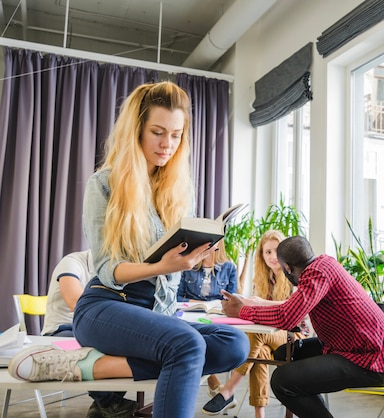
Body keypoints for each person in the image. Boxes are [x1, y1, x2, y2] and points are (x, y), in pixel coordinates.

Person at [8, 81, 250, 418]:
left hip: (157, 315)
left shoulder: (176, 191)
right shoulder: (104, 184)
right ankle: (98, 363)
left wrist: (193, 255)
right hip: (106, 305)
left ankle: (90, 366)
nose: (168, 144)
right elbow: (108, 268)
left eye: (177, 135)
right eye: (158, 132)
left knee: (235, 344)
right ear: (137, 130)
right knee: (187, 345)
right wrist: (162, 268)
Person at [221, 236, 384, 418]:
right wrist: (249, 305)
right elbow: (289, 308)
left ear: (287, 268)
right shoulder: (324, 264)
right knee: (285, 354)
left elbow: (286, 317)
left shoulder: (316, 275)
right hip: (354, 346)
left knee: (282, 381)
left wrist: (242, 311)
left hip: (371, 360)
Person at [203, 230, 309, 417]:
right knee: (260, 351)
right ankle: (259, 415)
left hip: (295, 336)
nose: (272, 257)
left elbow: (295, 308)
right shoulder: (262, 279)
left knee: (258, 333)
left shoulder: (295, 275)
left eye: (276, 251)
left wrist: (261, 303)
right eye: (267, 252)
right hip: (270, 335)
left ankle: (228, 390)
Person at [41, 249, 138, 418]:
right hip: (62, 330)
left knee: (128, 344)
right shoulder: (73, 262)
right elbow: (75, 304)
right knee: (109, 348)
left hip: (94, 329)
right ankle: (107, 402)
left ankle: (105, 405)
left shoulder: (116, 269)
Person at [177, 240, 237, 398]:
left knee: (207, 340)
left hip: (217, 315)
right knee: (192, 338)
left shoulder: (229, 267)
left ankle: (210, 380)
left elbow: (233, 299)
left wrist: (215, 306)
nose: (207, 248)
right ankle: (213, 380)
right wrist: (200, 304)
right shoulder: (188, 265)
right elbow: (177, 296)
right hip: (191, 313)